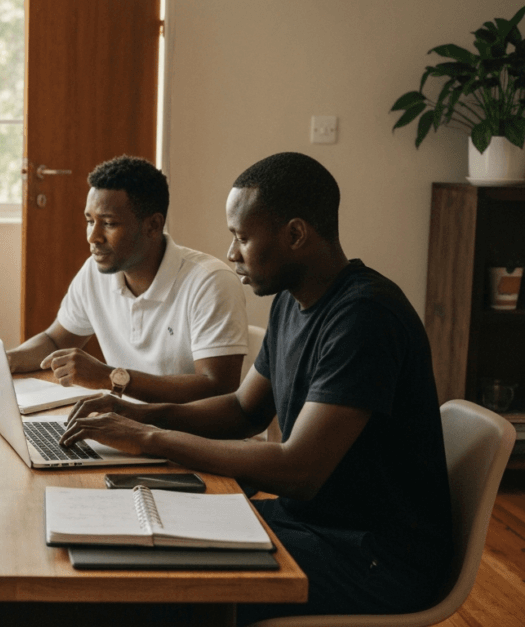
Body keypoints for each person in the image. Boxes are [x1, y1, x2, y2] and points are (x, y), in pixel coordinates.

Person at [60, 152, 452, 623]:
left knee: (151, 590)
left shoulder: (365, 318)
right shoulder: (293, 302)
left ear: (294, 235)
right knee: (128, 543)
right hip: (313, 525)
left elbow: (298, 470)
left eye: (242, 237)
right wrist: (136, 415)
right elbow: (243, 411)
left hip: (373, 557)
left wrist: (148, 437)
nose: (231, 254)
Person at [0, 155, 247, 403]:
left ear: (153, 225)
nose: (93, 237)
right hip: (122, 425)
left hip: (185, 441)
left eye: (109, 223)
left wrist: (110, 378)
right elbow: (54, 340)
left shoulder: (210, 282)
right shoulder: (95, 273)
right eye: (90, 221)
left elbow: (217, 388)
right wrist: (4, 360)